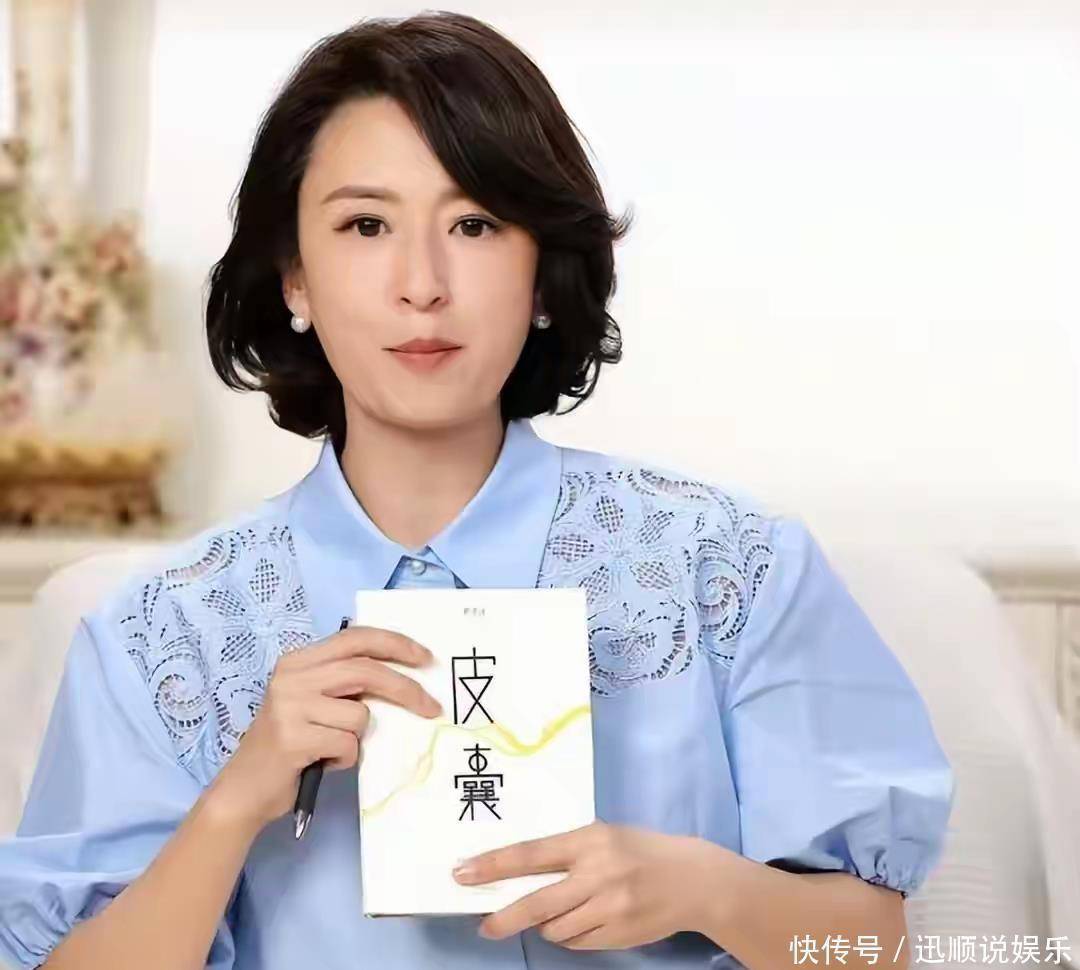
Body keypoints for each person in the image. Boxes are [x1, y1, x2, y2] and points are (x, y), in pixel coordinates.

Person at [0, 11, 953, 970]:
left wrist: (704, 889)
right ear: (295, 279)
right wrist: (233, 804)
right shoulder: (161, 635)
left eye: (475, 224)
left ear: (542, 275)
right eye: (365, 225)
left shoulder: (731, 569)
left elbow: (874, 948)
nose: (422, 284)